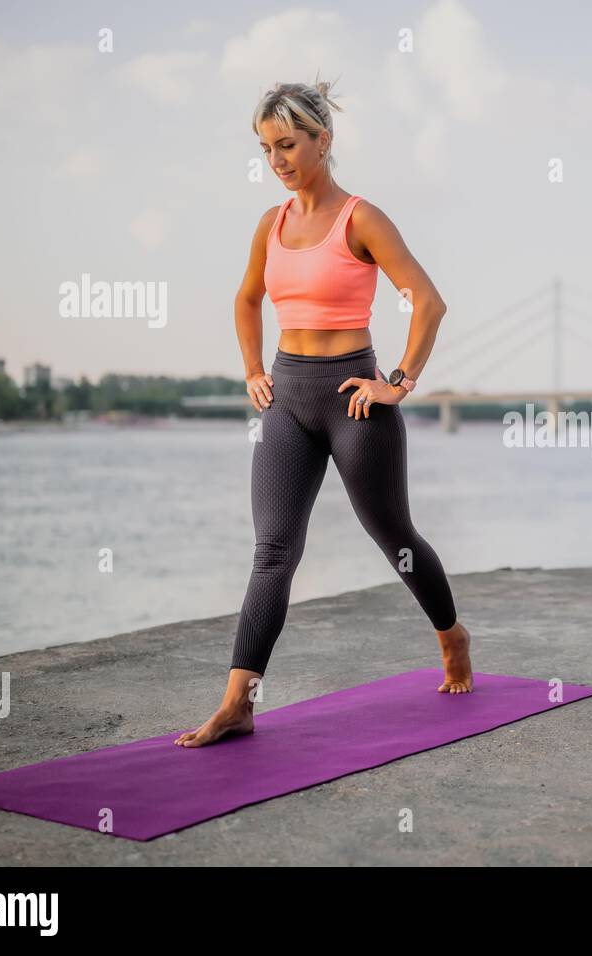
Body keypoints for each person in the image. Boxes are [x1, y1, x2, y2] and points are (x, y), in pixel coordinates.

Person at [176, 79, 472, 748]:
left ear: (322, 141)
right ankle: (239, 701)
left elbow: (427, 301)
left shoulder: (360, 218)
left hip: (351, 397)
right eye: (265, 149)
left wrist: (397, 381)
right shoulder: (270, 225)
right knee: (273, 550)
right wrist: (253, 369)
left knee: (392, 535)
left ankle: (451, 636)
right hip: (288, 396)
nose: (276, 159)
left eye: (286, 144)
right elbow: (247, 299)